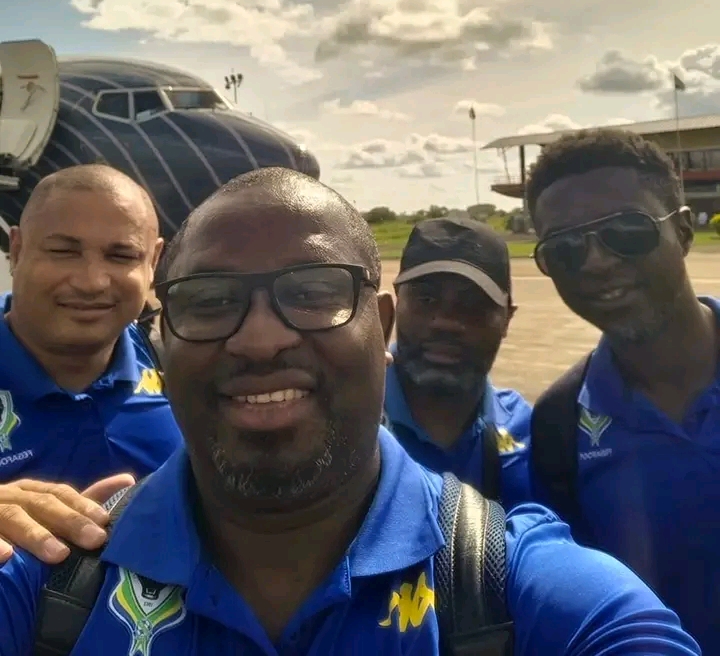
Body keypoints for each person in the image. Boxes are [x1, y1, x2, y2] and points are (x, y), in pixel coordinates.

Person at [0, 167, 702, 655]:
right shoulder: (45, 584)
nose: (261, 339)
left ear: (383, 327)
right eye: (209, 301)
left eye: (314, 292)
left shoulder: (525, 594)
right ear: (162, 337)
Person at [526, 128, 720, 654]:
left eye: (627, 231)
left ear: (683, 232)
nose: (595, 262)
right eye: (565, 248)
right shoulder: (559, 425)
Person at [0, 165, 182, 566]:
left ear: (153, 261)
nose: (92, 282)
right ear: (17, 250)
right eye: (63, 251)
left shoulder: (183, 366)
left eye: (121, 255)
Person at [385, 217, 532, 506]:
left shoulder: (530, 429)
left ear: (507, 319)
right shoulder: (344, 418)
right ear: (396, 303)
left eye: (473, 304)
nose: (445, 322)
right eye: (426, 299)